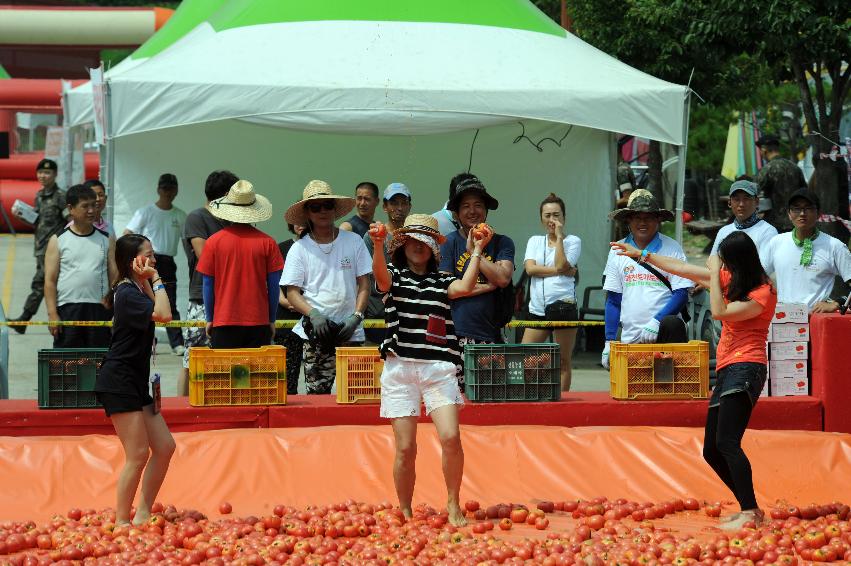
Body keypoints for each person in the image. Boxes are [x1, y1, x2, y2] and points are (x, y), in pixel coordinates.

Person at [612, 230, 777, 530]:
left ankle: (751, 511)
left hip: (747, 368)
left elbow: (718, 311)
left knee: (728, 443)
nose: (722, 268)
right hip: (729, 369)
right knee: (711, 450)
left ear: (739, 263)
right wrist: (643, 256)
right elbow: (684, 269)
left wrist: (714, 274)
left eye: (726, 264)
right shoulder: (732, 281)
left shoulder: (763, 292)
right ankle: (747, 507)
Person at [371, 213, 490, 527]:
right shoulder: (394, 275)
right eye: (413, 240)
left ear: (433, 248)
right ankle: (405, 509)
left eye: (425, 241)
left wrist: (477, 249)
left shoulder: (441, 280)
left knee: (451, 437)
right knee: (405, 447)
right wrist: (378, 244)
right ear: (404, 243)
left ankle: (453, 502)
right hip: (400, 367)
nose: (418, 246)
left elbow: (465, 286)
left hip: (438, 367)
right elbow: (381, 278)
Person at [94, 234, 175, 525]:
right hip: (120, 380)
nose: (154, 260)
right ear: (134, 261)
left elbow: (161, 309)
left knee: (165, 447)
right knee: (138, 453)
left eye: (153, 256)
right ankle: (121, 521)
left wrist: (150, 279)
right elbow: (164, 315)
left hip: (138, 382)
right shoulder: (127, 293)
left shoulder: (136, 289)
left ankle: (142, 513)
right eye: (149, 255)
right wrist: (154, 278)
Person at [282, 180, 371, 394]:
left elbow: (365, 284)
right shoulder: (299, 249)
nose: (322, 211)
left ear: (334, 209)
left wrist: (357, 316)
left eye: (327, 205)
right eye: (316, 207)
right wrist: (313, 314)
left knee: (357, 396)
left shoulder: (354, 241)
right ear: (307, 213)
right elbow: (292, 292)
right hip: (316, 335)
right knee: (317, 398)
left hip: (351, 332)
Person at [602, 189, 691, 370]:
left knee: (672, 323)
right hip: (631, 338)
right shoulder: (616, 250)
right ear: (628, 220)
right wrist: (609, 341)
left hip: (666, 334)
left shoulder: (672, 248)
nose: (643, 223)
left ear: (658, 220)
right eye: (637, 218)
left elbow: (682, 293)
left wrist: (657, 321)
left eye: (649, 217)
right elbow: (613, 301)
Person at [439, 174, 514, 384]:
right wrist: (486, 286)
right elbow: (447, 289)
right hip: (454, 335)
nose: (472, 211)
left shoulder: (502, 243)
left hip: (492, 336)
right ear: (457, 213)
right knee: (455, 399)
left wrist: (475, 251)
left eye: (478, 205)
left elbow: (503, 278)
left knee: (490, 400)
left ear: (486, 210)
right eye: (466, 206)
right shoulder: (448, 243)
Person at [196, 180, 282, 348]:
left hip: (223, 322)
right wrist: (271, 319)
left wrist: (210, 318)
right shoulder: (268, 243)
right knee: (257, 374)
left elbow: (207, 284)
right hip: (258, 322)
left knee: (225, 374)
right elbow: (273, 286)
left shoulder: (213, 242)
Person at [179, 170, 238, 395]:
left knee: (223, 359)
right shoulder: (197, 218)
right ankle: (181, 407)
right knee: (191, 359)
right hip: (202, 298)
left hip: (231, 298)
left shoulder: (234, 220)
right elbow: (205, 257)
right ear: (222, 196)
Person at [521, 193, 581, 391]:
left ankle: (563, 406)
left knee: (563, 361)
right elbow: (530, 269)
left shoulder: (573, 241)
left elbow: (561, 262)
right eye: (547, 215)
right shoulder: (534, 241)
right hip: (537, 308)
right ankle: (528, 399)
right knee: (526, 358)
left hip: (564, 306)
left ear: (564, 217)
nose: (552, 220)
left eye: (556, 215)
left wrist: (560, 238)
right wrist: (563, 272)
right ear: (541, 218)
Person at [44, 184, 116, 347]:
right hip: (68, 309)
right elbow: (50, 281)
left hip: (100, 310)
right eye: (85, 206)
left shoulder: (107, 239)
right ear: (71, 208)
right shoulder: (58, 240)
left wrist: (116, 310)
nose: (91, 210)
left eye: (94, 205)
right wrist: (52, 314)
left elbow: (115, 278)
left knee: (99, 364)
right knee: (67, 366)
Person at [124, 173, 187, 355]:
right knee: (146, 302)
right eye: (164, 188)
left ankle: (177, 343)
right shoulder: (146, 212)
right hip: (147, 261)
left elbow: (186, 242)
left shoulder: (180, 215)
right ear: (158, 190)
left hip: (168, 262)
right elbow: (128, 233)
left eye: (171, 189)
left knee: (170, 302)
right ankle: (148, 341)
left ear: (176, 191)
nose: (167, 192)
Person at [762, 189, 851, 312]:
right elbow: (758, 277)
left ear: (819, 213)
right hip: (784, 321)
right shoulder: (776, 242)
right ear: (789, 213)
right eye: (796, 209)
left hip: (817, 322)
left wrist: (837, 303)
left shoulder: (834, 246)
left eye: (808, 208)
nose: (802, 213)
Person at [9, 158, 68, 333]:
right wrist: (22, 216)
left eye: (47, 172)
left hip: (53, 250)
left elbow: (70, 221)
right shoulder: (39, 196)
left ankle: (24, 319)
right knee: (45, 284)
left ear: (55, 174)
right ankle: (27, 320)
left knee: (40, 283)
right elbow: (39, 222)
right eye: (40, 172)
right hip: (40, 248)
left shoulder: (61, 197)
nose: (43, 175)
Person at [362, 182, 413, 345]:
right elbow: (366, 275)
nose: (399, 208)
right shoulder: (373, 236)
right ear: (384, 206)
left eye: (403, 203)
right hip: (377, 313)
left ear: (409, 206)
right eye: (393, 203)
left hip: (408, 313)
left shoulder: (415, 237)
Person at [710, 180, 777, 262]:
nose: (741, 204)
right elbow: (713, 261)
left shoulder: (767, 231)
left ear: (756, 202)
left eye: (746, 198)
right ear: (729, 203)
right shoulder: (723, 231)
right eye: (736, 199)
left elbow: (765, 267)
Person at [275, 223, 307, 395]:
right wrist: (286, 301)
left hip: (313, 318)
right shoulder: (282, 248)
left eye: (303, 220)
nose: (300, 225)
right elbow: (274, 280)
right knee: (287, 376)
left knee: (315, 378)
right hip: (286, 315)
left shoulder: (319, 247)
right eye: (297, 221)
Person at [755, 134, 806, 231]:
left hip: (775, 226)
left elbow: (752, 192)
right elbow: (805, 193)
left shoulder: (767, 169)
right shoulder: (795, 168)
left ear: (764, 149)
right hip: (797, 223)